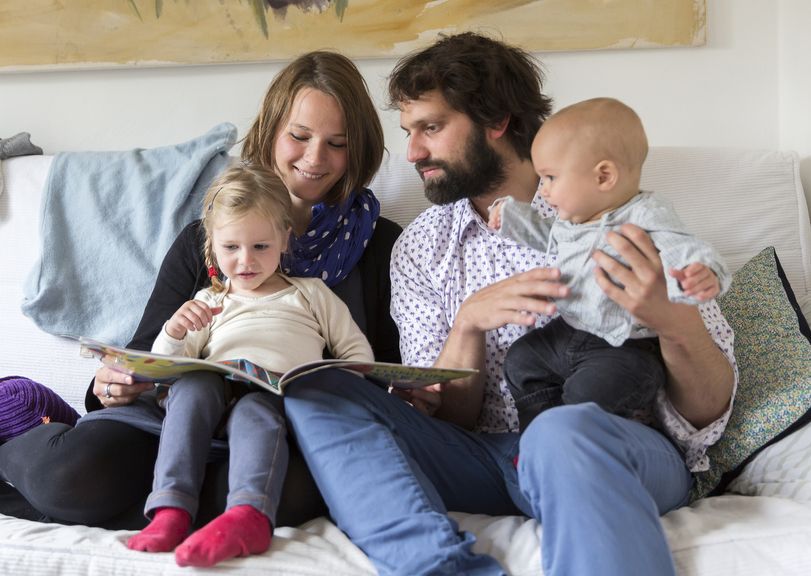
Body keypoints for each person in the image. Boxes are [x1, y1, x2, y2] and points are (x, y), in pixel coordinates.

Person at [283, 32, 737, 576]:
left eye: (431, 127)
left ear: (496, 119)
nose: (413, 153)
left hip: (613, 449)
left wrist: (671, 320)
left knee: (558, 430)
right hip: (485, 458)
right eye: (409, 132)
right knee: (316, 392)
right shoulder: (422, 247)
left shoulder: (614, 212)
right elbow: (449, 416)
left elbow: (710, 409)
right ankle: (442, 567)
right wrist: (469, 323)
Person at [0, 50, 400, 530]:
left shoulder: (379, 245)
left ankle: (163, 509)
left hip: (287, 430)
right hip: (177, 420)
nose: (315, 158)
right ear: (271, 131)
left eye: (337, 143)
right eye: (299, 136)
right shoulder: (205, 237)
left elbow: (381, 370)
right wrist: (112, 384)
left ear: (358, 150)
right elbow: (148, 351)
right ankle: (37, 446)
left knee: (290, 496)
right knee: (68, 478)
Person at [96, 164, 373, 566]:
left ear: (284, 239)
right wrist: (174, 331)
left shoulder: (312, 294)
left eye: (261, 246)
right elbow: (163, 369)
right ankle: (171, 511)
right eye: (231, 248)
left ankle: (248, 516)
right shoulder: (210, 301)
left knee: (255, 408)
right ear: (212, 245)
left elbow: (356, 354)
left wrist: (338, 384)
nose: (246, 261)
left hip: (280, 400)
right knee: (191, 387)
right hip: (213, 401)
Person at [488, 97, 730, 432]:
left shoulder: (644, 214)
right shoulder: (570, 221)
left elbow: (684, 246)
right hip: (568, 331)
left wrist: (703, 272)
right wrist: (511, 215)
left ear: (603, 176)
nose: (542, 191)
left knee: (591, 392)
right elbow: (545, 235)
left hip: (625, 347)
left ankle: (571, 439)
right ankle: (537, 439)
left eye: (550, 178)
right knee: (522, 360)